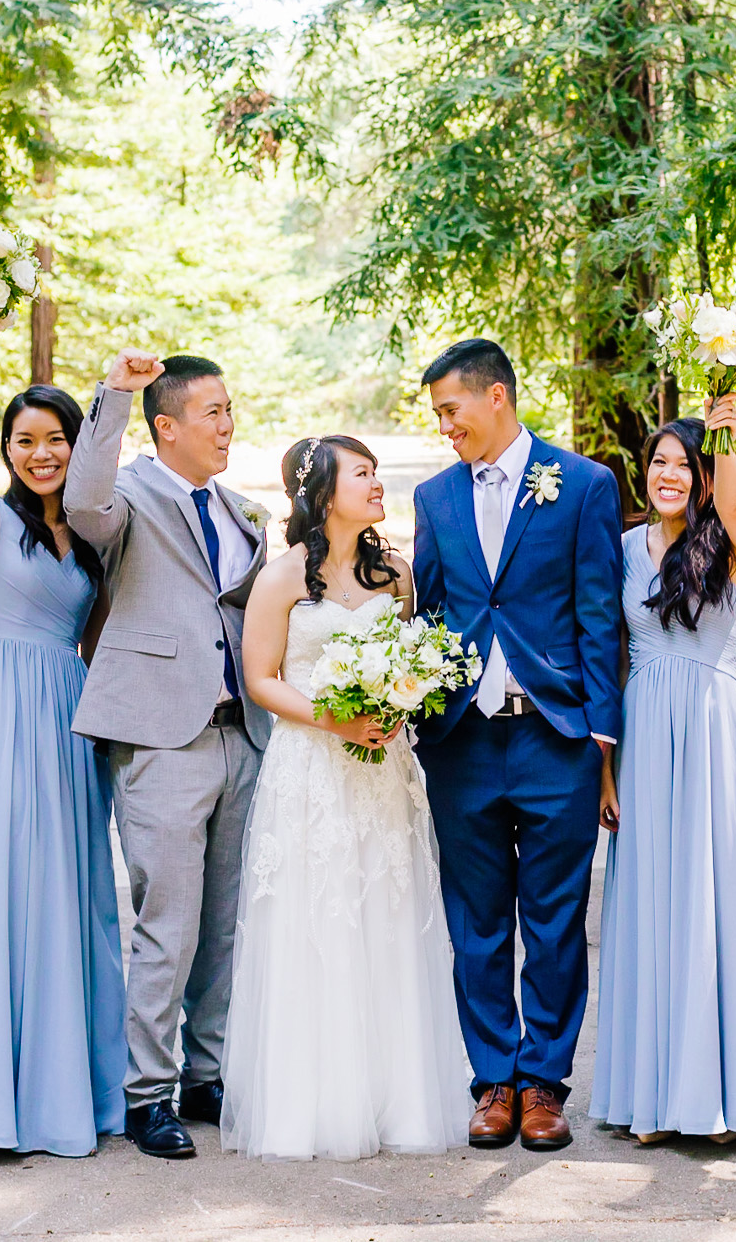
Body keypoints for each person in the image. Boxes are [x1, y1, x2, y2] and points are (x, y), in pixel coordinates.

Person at [220, 436, 473, 1161]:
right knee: (318, 919)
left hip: (382, 768)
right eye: (363, 474)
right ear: (325, 492)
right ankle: (315, 1106)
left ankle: (398, 1102)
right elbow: (261, 678)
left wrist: (398, 703)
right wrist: (336, 720)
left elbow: (410, 659)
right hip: (311, 769)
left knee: (386, 917)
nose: (377, 484)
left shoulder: (395, 573)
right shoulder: (282, 577)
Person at [411, 338, 624, 1153]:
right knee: (476, 921)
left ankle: (544, 1083)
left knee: (556, 918)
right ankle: (493, 1080)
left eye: (451, 410)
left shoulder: (584, 484)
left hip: (555, 737)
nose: (445, 427)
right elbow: (434, 615)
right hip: (461, 740)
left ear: (494, 395)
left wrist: (600, 740)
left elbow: (598, 614)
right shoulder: (435, 497)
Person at [0, 310, 125, 1156]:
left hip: (69, 722)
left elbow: (104, 640)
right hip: (2, 714)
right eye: (24, 441)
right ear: (7, 451)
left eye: (55, 440)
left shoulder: (93, 536)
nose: (40, 454)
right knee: (0, 886)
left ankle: (67, 1093)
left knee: (70, 893)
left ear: (78, 445)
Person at [63, 349, 273, 1161]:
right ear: (167, 426)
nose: (228, 425)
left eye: (229, 409)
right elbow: (81, 500)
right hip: (161, 738)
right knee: (169, 924)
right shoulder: (127, 496)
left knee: (225, 924)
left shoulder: (240, 509)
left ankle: (205, 1074)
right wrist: (112, 393)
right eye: (213, 412)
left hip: (242, 732)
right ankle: (147, 1093)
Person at [591, 400, 736, 1145]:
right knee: (651, 905)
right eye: (659, 462)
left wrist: (724, 429)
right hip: (642, 733)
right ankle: (652, 1095)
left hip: (707, 734)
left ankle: (712, 1097)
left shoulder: (731, 545)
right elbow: (607, 658)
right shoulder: (620, 547)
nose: (668, 475)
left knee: (710, 900)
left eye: (686, 465)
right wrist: (605, 771)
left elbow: (734, 504)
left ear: (707, 476)